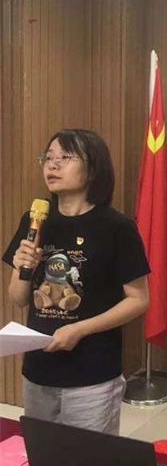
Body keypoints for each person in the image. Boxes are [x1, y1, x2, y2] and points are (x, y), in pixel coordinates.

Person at [2, 129, 150, 434]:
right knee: (43, 455)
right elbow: (18, 298)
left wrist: (79, 329)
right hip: (38, 370)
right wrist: (21, 268)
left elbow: (139, 300)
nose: (52, 165)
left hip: (92, 374)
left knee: (88, 461)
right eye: (48, 158)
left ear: (93, 168)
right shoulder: (34, 221)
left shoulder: (117, 227)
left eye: (65, 157)